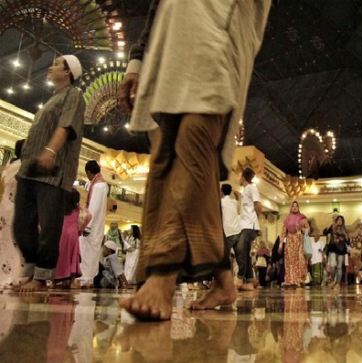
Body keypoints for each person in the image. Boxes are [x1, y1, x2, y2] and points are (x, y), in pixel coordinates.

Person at [117, 0, 270, 318]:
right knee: (167, 157)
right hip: (170, 41)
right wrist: (137, 62)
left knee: (194, 142)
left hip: (219, 32)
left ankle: (162, 277)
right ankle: (224, 278)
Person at [13, 55, 85, 292]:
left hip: (53, 170)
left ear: (68, 73)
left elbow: (66, 126)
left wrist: (50, 151)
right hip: (30, 169)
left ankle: (42, 276)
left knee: (49, 225)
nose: (51, 68)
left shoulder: (73, 95)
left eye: (56, 65)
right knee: (22, 224)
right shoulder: (52, 99)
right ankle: (32, 269)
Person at [77, 160, 109, 288]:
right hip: (97, 225)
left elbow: (94, 206)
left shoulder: (98, 186)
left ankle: (85, 280)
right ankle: (88, 280)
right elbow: (91, 188)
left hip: (92, 226)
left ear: (89, 172)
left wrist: (87, 226)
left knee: (87, 253)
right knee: (92, 254)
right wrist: (84, 184)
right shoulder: (102, 184)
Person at [0, 139, 26, 288]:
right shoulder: (25, 166)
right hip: (19, 207)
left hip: (5, 208)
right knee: (18, 241)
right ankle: (17, 275)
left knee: (5, 241)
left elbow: (4, 183)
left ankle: (4, 273)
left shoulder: (10, 165)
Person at [233, 168, 262, 291]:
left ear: (243, 178)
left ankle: (240, 277)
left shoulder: (252, 187)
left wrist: (256, 220)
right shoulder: (244, 190)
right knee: (244, 252)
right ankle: (249, 281)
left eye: (239, 176)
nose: (238, 179)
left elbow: (258, 205)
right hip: (244, 225)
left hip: (250, 226)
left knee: (240, 249)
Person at [54, 189, 85, 288]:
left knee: (60, 255)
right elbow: (88, 216)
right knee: (73, 256)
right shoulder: (77, 210)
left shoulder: (60, 209)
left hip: (61, 233)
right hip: (73, 235)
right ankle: (72, 282)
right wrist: (81, 230)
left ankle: (56, 281)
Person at [279, 201, 308, 287]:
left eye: (296, 206)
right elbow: (283, 232)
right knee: (290, 261)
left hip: (299, 241)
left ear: (298, 208)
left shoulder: (303, 219)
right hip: (290, 241)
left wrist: (301, 229)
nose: (295, 208)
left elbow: (308, 230)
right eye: (293, 206)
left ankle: (299, 279)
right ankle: (291, 280)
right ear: (291, 208)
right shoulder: (287, 219)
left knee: (300, 260)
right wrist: (281, 243)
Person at [323, 215, 350, 288]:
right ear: (336, 221)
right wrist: (328, 226)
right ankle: (332, 281)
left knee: (339, 267)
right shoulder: (332, 227)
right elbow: (325, 232)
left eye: (341, 220)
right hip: (332, 248)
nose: (339, 221)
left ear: (343, 221)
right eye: (338, 220)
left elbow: (348, 241)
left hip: (341, 250)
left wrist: (345, 235)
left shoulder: (344, 229)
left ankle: (337, 283)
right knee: (332, 265)